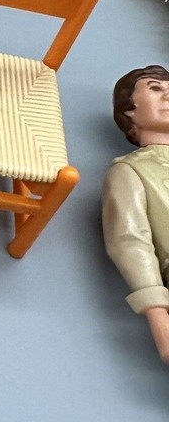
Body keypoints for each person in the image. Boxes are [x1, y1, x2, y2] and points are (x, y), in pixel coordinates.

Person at [103, 64, 169, 364]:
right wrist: (159, 319)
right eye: (155, 88)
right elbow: (130, 242)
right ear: (130, 111)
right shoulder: (130, 171)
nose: (167, 95)